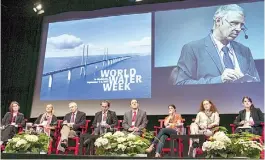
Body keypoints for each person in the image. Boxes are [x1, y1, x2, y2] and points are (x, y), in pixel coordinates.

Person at [171, 4, 260, 85]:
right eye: (234, 23)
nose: (239, 29)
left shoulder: (245, 51)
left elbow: (257, 82)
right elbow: (181, 83)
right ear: (218, 21)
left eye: (241, 25)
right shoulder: (192, 49)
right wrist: (219, 80)